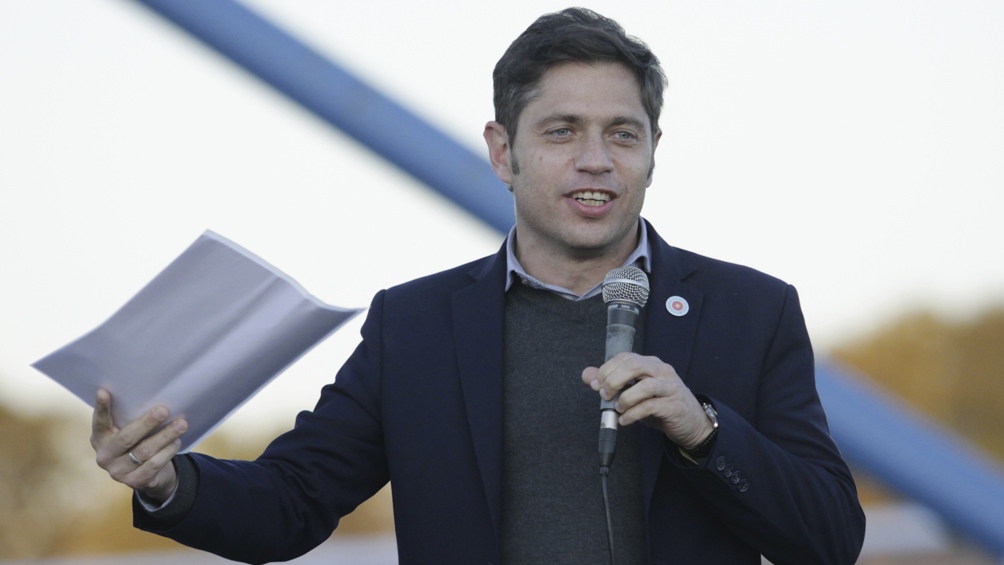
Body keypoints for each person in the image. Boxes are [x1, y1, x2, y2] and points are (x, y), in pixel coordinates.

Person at [91, 8, 865, 565]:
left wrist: (705, 431)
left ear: (653, 150)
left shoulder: (752, 310)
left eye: (622, 134)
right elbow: (293, 501)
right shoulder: (414, 324)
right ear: (502, 152)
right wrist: (167, 481)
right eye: (562, 130)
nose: (596, 159)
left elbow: (830, 536)